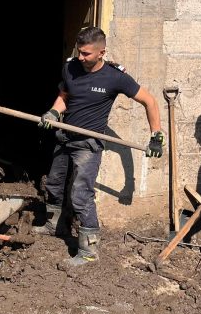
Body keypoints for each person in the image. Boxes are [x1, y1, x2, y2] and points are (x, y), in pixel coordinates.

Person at [32, 26, 163, 268]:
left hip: (88, 144)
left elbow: (149, 101)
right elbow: (64, 96)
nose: (81, 57)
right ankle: (54, 226)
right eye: (79, 52)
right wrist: (53, 112)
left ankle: (89, 251)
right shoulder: (70, 67)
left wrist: (156, 135)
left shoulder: (115, 77)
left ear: (102, 52)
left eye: (86, 54)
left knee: (81, 195)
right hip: (64, 136)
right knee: (54, 184)